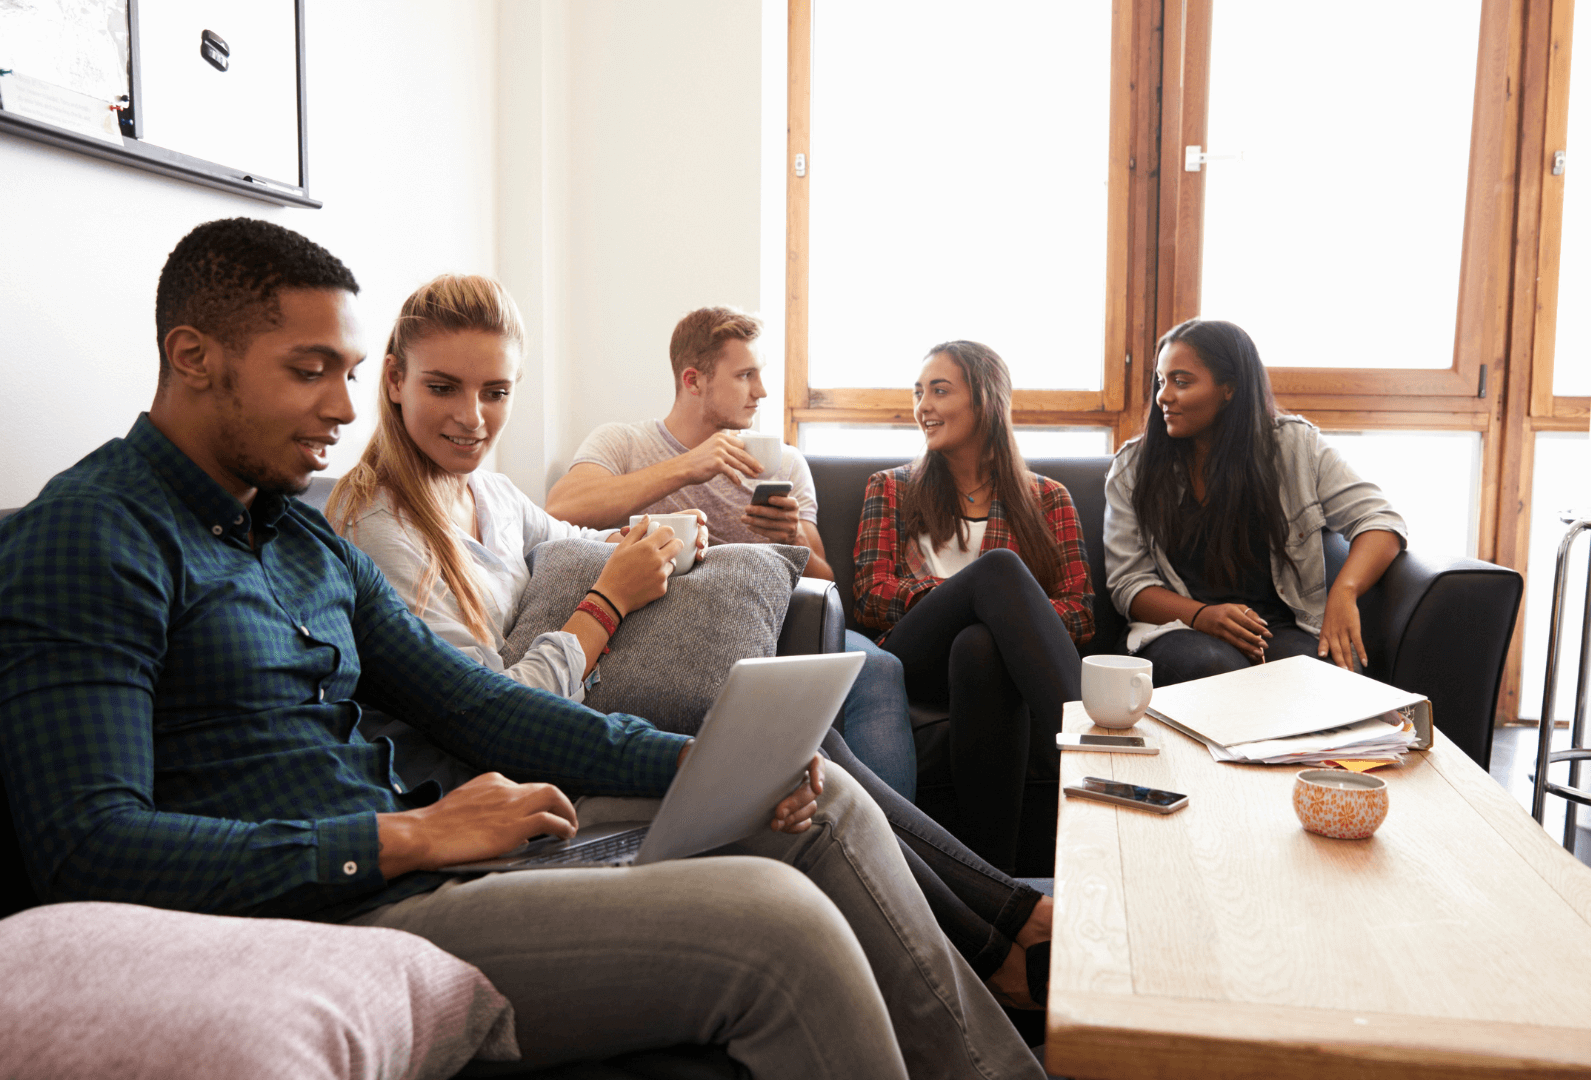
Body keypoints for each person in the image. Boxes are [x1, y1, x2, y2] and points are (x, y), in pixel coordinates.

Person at [0, 218, 1042, 1079]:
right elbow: (87, 855)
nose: (341, 406)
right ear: (193, 357)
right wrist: (402, 838)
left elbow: (483, 710)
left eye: (349, 369)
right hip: (342, 910)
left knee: (819, 806)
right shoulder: (87, 543)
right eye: (309, 370)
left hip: (432, 858)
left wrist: (706, 765)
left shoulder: (290, 538)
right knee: (776, 925)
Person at [332, 273, 1057, 1012]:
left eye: (496, 392)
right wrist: (610, 597)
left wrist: (648, 546)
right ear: (394, 380)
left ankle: (1009, 926)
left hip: (572, 738)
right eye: (445, 388)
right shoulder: (382, 531)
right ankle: (1002, 947)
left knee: (809, 754)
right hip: (508, 794)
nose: (473, 418)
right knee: (803, 781)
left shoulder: (488, 494)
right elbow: (493, 718)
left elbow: (577, 539)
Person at [545, 307, 917, 798]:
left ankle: (883, 844)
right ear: (693, 380)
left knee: (877, 667)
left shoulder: (782, 462)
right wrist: (687, 467)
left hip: (774, 624)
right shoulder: (623, 442)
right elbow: (562, 507)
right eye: (746, 375)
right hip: (660, 626)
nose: (761, 391)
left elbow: (827, 581)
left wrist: (793, 536)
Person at [852, 341, 1095, 874]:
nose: (924, 407)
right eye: (919, 393)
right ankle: (1093, 751)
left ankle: (996, 888)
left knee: (980, 645)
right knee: (999, 570)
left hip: (990, 668)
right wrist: (965, 597)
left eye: (940, 390)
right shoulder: (890, 489)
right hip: (914, 660)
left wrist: (996, 618)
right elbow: (871, 595)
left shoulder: (1047, 498)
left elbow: (1080, 612)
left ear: (986, 401)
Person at [1103, 318, 1407, 686]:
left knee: (1321, 677)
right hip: (1177, 629)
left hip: (1278, 627)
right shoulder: (1132, 467)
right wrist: (1203, 616)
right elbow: (1128, 584)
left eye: (1181, 382)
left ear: (1229, 388)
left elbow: (1379, 521)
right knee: (1215, 668)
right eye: (1161, 381)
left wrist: (1345, 592)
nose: (1163, 396)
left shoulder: (1296, 447)